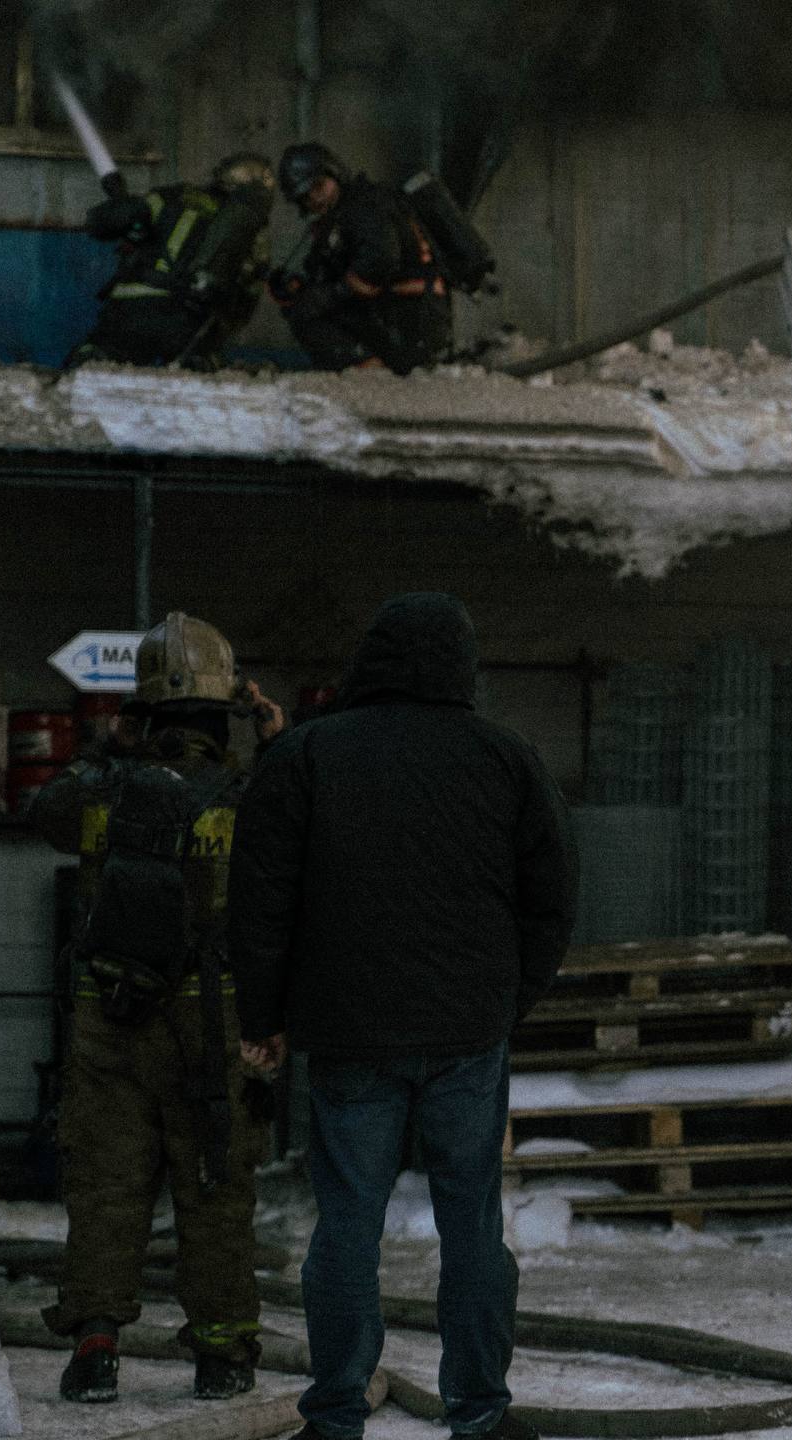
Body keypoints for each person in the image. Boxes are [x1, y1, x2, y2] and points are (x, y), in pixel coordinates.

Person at [230, 593, 570, 1440]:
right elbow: (552, 899)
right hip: (466, 1035)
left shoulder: (308, 756)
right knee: (473, 1227)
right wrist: (504, 1003)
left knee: (346, 1224)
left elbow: (261, 899)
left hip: (349, 1037)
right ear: (463, 665)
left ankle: (338, 1416)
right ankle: (482, 1413)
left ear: (368, 661)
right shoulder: (507, 757)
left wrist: (264, 1012)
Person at [28, 612, 286, 1405]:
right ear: (222, 709)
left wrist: (114, 746)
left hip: (109, 1015)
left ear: (143, 709)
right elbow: (295, 841)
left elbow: (43, 815)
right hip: (216, 1023)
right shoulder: (251, 795)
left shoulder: (102, 789)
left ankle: (96, 1350)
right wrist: (270, 734)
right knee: (215, 1188)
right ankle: (221, 1358)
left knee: (107, 1189)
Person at [69, 153, 277, 369]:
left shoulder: (172, 196)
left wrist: (126, 212)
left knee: (92, 364)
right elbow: (244, 302)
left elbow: (101, 223)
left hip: (131, 308)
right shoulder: (252, 232)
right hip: (189, 322)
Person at [271, 142, 452, 374]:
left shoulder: (364, 206)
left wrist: (329, 295)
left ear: (334, 173)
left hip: (412, 318)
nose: (315, 198)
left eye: (319, 186)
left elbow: (378, 262)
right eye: (306, 196)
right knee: (306, 304)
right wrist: (298, 288)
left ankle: (370, 373)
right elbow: (329, 274)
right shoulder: (344, 213)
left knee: (306, 313)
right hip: (410, 315)